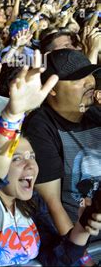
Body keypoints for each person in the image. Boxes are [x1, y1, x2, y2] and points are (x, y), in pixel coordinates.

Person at [0, 57, 101, 266]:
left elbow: (57, 260)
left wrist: (82, 228)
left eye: (32, 157)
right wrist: (13, 115)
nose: (30, 165)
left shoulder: (32, 205)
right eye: (17, 158)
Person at [22, 49, 101, 243]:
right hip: (81, 239)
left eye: (89, 74)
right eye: (77, 79)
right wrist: (79, 256)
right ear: (52, 89)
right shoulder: (39, 128)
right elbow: (53, 205)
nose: (89, 82)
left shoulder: (95, 113)